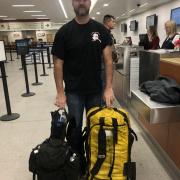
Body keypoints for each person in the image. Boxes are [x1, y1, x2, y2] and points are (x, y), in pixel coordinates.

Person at [51, 0, 115, 173]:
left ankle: (95, 163)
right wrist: (60, 93)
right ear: (73, 3)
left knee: (96, 129)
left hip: (96, 91)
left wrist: (108, 87)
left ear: (90, 3)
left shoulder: (101, 30)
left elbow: (109, 61)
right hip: (73, 93)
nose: (81, 2)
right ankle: (77, 164)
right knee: (75, 131)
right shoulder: (64, 32)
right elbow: (58, 64)